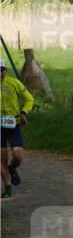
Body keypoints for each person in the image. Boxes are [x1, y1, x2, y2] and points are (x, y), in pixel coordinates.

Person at [1, 56, 34, 199]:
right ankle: (8, 187)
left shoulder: (14, 83)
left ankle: (12, 168)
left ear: (5, 71)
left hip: (13, 124)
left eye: (0, 70)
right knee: (1, 158)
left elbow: (29, 98)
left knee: (17, 155)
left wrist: (23, 112)